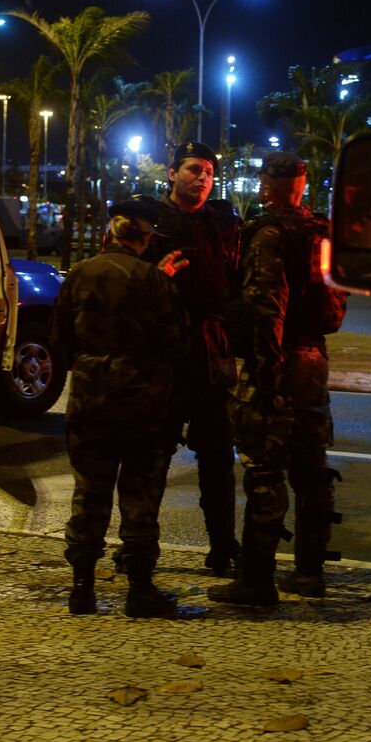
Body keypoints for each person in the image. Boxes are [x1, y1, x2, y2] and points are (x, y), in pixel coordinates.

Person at [211, 151, 342, 606]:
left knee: (265, 469)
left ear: (270, 186)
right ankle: (310, 572)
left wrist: (266, 378)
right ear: (303, 185)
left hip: (281, 359)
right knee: (312, 466)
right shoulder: (322, 232)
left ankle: (256, 581)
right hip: (314, 359)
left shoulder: (269, 234)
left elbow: (267, 307)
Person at [51, 200, 190, 617]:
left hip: (90, 399)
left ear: (111, 236)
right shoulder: (154, 279)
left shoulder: (79, 275)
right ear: (143, 239)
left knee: (89, 493)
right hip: (142, 403)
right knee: (140, 497)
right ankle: (140, 591)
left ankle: (82, 589)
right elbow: (177, 342)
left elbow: (60, 339)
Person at [139, 141, 243, 576]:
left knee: (218, 458)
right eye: (194, 169)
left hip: (209, 354)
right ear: (172, 173)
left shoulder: (221, 224)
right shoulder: (148, 222)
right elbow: (125, 282)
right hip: (163, 357)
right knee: (152, 457)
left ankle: (223, 547)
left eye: (209, 172)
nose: (202, 178)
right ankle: (140, 548)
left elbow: (237, 283)